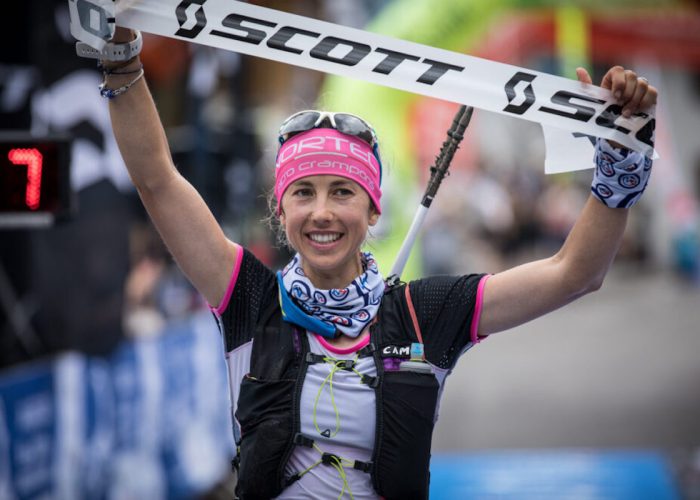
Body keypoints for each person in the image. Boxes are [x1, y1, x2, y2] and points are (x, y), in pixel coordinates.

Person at [91, 26, 657, 500]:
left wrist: (619, 173)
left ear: (372, 208)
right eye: (303, 193)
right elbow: (158, 180)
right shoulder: (249, 298)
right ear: (279, 206)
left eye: (342, 192)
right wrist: (120, 59)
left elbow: (574, 273)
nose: (322, 213)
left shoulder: (424, 312)